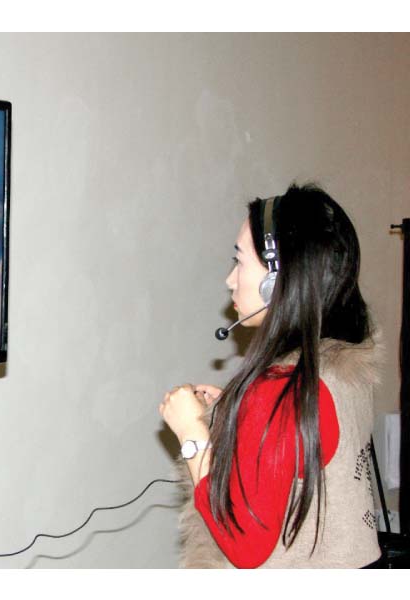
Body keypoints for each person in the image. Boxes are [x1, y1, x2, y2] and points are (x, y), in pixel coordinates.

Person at [159, 184, 382, 568]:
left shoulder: (280, 390)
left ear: (275, 281)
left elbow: (244, 545)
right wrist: (237, 415)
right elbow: (301, 450)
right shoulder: (339, 364)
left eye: (240, 261)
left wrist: (192, 433)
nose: (231, 279)